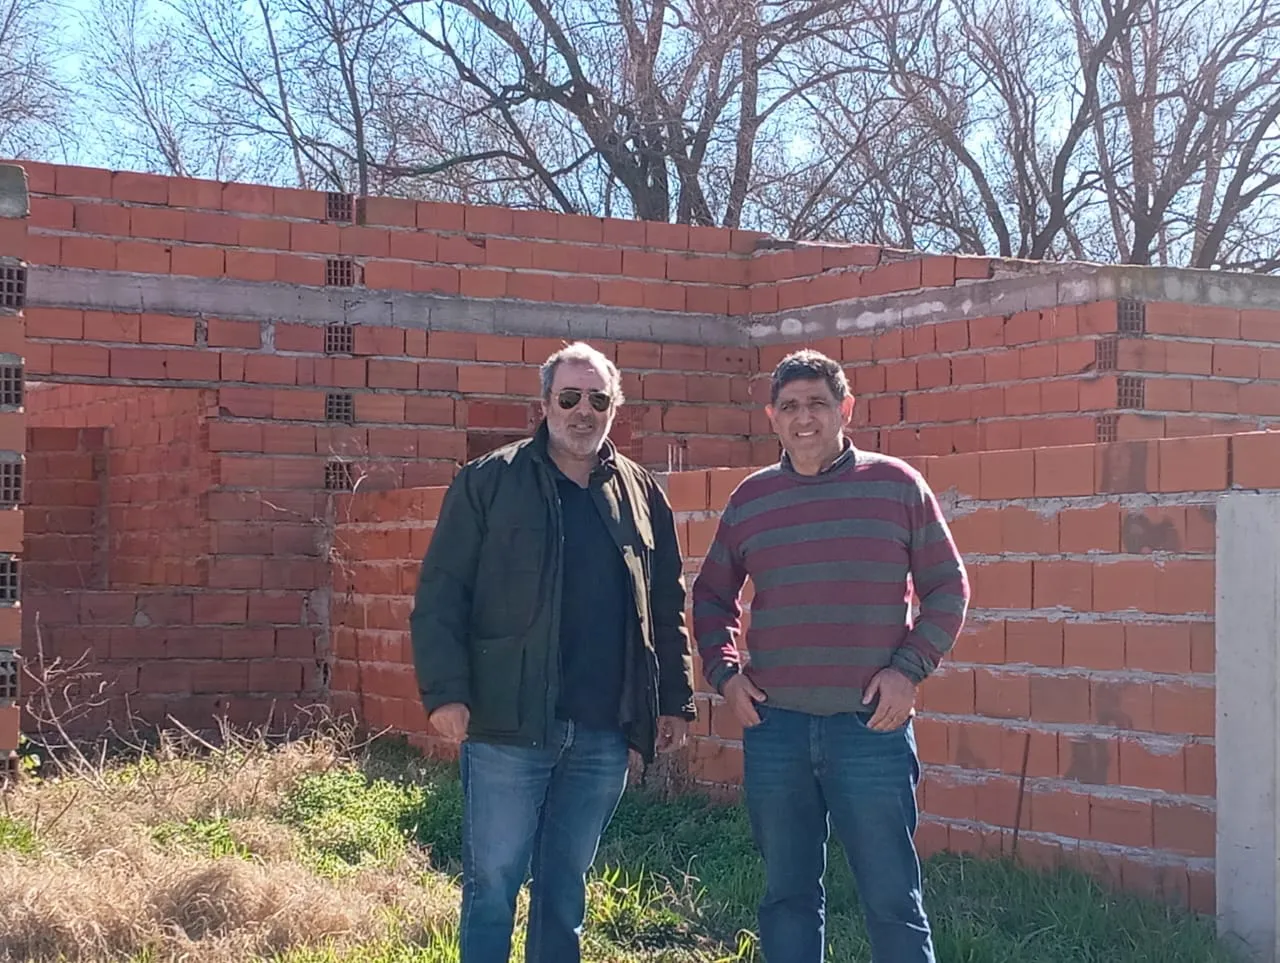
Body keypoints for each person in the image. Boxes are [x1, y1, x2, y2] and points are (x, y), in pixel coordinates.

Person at [409, 340, 697, 963]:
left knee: (565, 890)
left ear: (614, 408)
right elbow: (441, 594)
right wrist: (445, 692)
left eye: (598, 399)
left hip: (601, 729)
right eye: (569, 397)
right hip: (506, 724)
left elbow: (666, 604)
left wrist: (672, 699)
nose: (582, 411)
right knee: (493, 885)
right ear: (544, 404)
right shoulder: (489, 482)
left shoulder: (643, 493)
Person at [691, 348, 969, 963]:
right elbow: (711, 595)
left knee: (892, 899)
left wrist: (908, 671)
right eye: (790, 406)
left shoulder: (897, 486)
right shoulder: (751, 499)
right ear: (772, 417)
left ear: (845, 408)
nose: (804, 418)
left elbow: (948, 587)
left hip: (870, 729)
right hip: (777, 730)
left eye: (818, 403)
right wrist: (726, 674)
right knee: (787, 897)